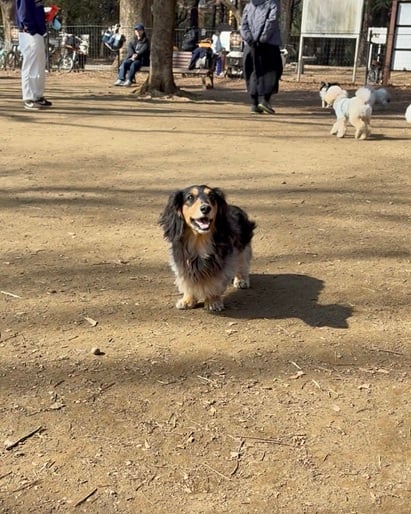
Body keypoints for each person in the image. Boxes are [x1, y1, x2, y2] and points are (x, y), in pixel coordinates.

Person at [240, 0, 283, 114]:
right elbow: (271, 22)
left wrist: (249, 39)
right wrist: (262, 38)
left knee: (252, 72)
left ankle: (254, 103)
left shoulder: (249, 5)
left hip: (250, 46)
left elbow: (243, 24)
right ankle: (265, 101)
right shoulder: (273, 3)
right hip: (269, 44)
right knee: (272, 72)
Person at [16, 0, 52, 110]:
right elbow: (23, 12)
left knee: (39, 66)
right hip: (30, 33)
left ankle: (37, 96)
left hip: (37, 31)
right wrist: (30, 28)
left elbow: (35, 9)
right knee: (30, 65)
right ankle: (28, 98)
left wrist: (45, 16)